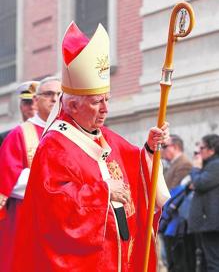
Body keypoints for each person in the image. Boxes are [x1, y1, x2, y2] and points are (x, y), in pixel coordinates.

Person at [12, 22, 170, 272]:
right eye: (97, 102)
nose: (106, 109)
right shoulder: (55, 145)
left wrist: (150, 150)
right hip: (87, 261)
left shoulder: (105, 135)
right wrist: (104, 191)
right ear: (73, 106)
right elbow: (54, 207)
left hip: (120, 253)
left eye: (107, 99)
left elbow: (135, 165)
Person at [0, 76, 61, 272]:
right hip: (28, 221)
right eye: (49, 94)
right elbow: (9, 180)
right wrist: (55, 184)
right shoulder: (19, 134)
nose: (54, 99)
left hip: (62, 222)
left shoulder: (68, 132)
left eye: (59, 95)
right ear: (37, 100)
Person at [160, 134, 193, 272]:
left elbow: (173, 191)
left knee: (178, 261)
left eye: (164, 146)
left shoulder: (184, 163)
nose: (161, 150)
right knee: (170, 260)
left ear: (175, 147)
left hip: (176, 221)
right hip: (169, 219)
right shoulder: (171, 165)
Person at [188, 134, 219, 272]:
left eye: (201, 148)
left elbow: (199, 183)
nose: (198, 152)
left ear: (211, 150)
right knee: (207, 261)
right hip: (208, 223)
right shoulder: (210, 165)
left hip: (212, 224)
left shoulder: (215, 165)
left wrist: (195, 169)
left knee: (213, 262)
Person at [0, 80, 39, 146]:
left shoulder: (53, 133)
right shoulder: (5, 137)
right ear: (21, 106)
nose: (32, 107)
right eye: (28, 103)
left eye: (37, 103)